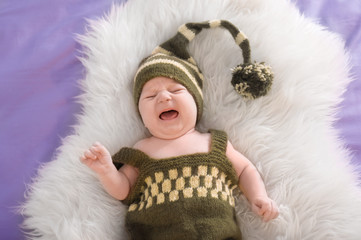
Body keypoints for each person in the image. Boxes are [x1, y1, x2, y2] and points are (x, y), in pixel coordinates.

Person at [80, 20, 278, 240]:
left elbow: (244, 170)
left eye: (175, 89)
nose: (164, 97)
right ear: (142, 117)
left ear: (196, 104)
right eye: (151, 96)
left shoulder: (214, 143)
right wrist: (107, 171)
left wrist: (258, 196)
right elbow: (123, 190)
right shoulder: (142, 149)